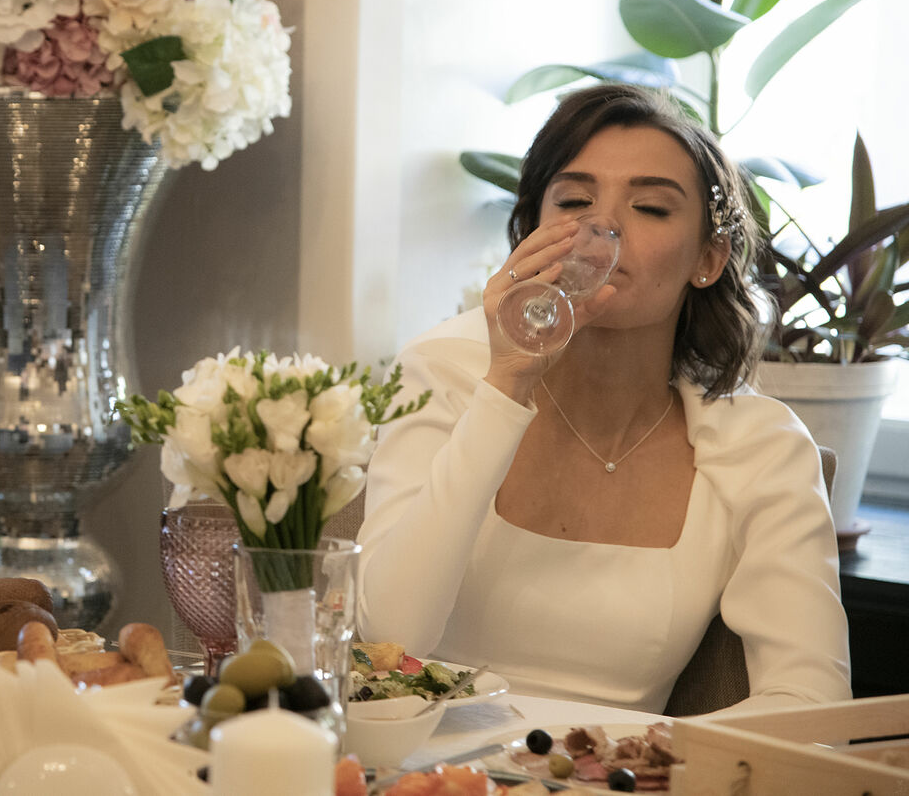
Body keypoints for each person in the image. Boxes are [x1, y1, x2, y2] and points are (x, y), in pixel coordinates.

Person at [355, 83, 851, 714]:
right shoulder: (443, 373)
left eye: (650, 207)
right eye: (574, 201)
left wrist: (637, 755)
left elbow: (813, 704)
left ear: (708, 257)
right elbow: (392, 637)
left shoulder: (762, 445)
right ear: (532, 233)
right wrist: (507, 385)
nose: (603, 225)